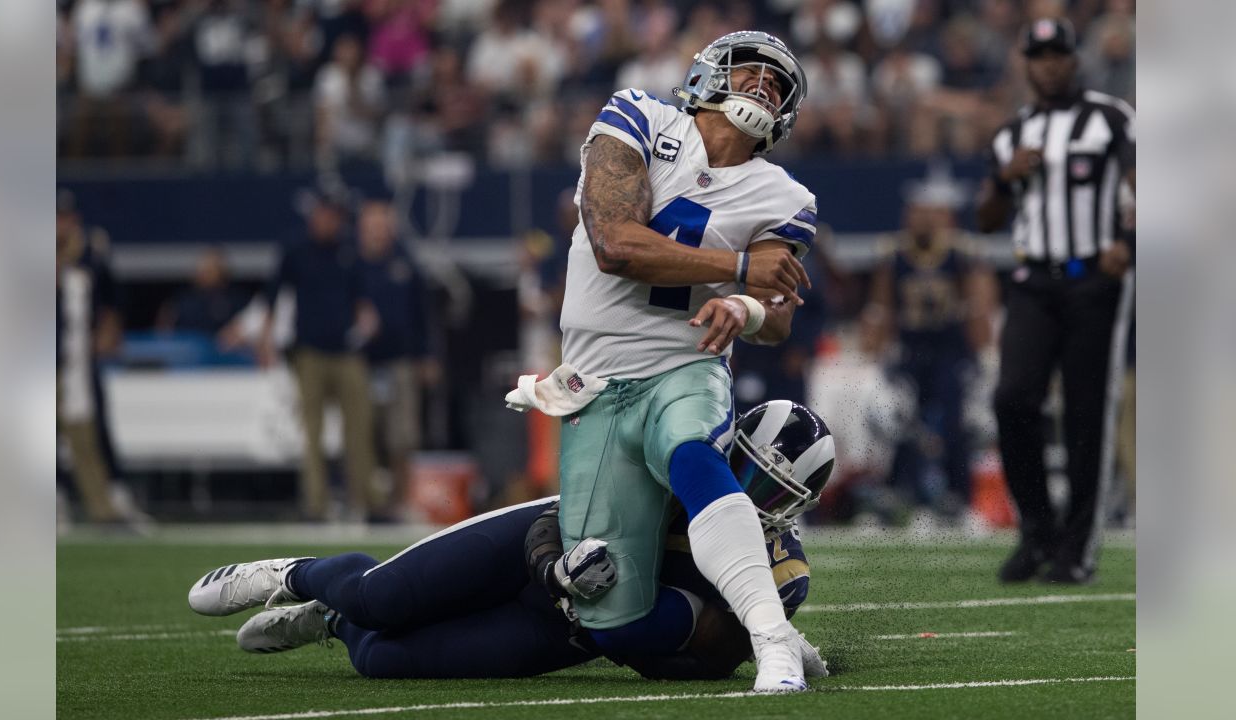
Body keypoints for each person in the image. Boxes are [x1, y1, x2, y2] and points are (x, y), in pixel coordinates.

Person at [539, 30, 824, 693]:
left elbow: (777, 312)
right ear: (706, 75)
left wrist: (747, 308)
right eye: (751, 72)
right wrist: (738, 269)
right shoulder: (638, 115)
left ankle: (772, 640)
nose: (762, 87)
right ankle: (748, 636)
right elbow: (614, 242)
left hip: (682, 361)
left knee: (689, 448)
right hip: (594, 383)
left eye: (777, 85)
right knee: (610, 619)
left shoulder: (786, 197)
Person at [188, 401, 834, 681]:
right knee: (379, 598)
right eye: (740, 469)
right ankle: (295, 574)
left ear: (794, 509)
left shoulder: (779, 573)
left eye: (767, 490)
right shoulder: (673, 464)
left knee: (382, 660)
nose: (743, 494)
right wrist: (556, 570)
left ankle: (327, 622)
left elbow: (689, 659)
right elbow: (549, 523)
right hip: (535, 554)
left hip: (570, 630)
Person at [977, 18, 1135, 584]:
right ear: (1027, 63)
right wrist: (1004, 175)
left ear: (1074, 59)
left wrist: (1129, 243)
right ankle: (1037, 531)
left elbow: (1145, 183)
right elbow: (986, 217)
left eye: (1057, 54)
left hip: (1094, 278)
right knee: (1013, 398)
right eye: (1038, 55)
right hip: (1034, 281)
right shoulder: (1012, 132)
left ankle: (1077, 547)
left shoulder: (1112, 117)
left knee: (1086, 411)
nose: (1049, 64)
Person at [864, 177, 996, 522]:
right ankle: (897, 497)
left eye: (928, 214)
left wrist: (984, 355)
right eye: (916, 213)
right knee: (903, 425)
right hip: (911, 351)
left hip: (950, 350)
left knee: (954, 424)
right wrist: (875, 357)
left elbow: (976, 304)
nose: (921, 221)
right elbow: (882, 307)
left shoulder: (959, 254)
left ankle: (958, 499)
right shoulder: (894, 254)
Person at [259, 186, 383, 522]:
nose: (329, 221)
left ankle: (367, 502)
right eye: (325, 214)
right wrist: (266, 337)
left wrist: (367, 320)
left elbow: (361, 297)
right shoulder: (295, 249)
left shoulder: (347, 250)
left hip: (346, 350)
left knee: (359, 426)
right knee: (312, 430)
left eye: (335, 215)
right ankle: (316, 503)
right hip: (309, 351)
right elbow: (273, 295)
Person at [56, 189, 142, 527]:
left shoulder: (89, 253)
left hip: (76, 360)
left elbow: (111, 301)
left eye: (65, 217)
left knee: (88, 435)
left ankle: (103, 503)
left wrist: (108, 333)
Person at [355, 200, 436, 516]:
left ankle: (400, 501)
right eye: (371, 226)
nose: (377, 233)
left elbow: (421, 313)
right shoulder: (351, 265)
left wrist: (426, 355)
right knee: (362, 435)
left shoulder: (405, 264)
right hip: (361, 363)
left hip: (400, 361)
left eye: (382, 226)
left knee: (402, 437)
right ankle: (364, 501)